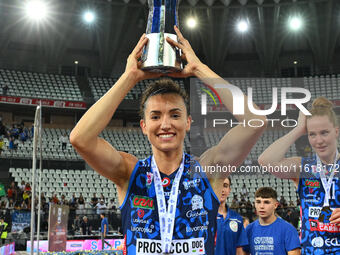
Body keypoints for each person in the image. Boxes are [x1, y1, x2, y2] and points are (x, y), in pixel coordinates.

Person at [70, 26, 266, 255]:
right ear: (144, 126)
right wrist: (129, 77)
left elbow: (256, 121)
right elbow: (79, 138)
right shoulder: (130, 172)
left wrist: (199, 69)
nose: (165, 124)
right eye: (155, 116)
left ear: (188, 122)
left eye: (175, 115)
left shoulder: (207, 169)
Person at [258, 97, 340, 254]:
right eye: (312, 134)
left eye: (324, 132)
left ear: (336, 131)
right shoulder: (302, 167)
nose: (319, 141)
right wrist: (298, 129)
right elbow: (265, 160)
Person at [243, 187, 301, 255]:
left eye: (266, 202)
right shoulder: (249, 229)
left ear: (275, 205)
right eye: (258, 202)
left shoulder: (288, 229)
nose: (261, 206)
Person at [215, 177, 248, 255]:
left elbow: (239, 251)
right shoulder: (203, 217)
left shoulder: (238, 219)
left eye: (225, 186)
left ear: (229, 190)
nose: (222, 189)